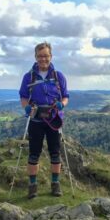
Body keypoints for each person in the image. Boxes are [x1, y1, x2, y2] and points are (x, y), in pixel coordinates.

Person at [18, 42, 69, 199]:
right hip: (36, 120)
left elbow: (66, 96)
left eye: (46, 56)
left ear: (51, 56)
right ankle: (32, 186)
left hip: (54, 119)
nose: (43, 59)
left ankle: (55, 184)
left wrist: (62, 105)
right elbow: (24, 96)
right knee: (34, 154)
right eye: (40, 56)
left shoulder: (58, 76)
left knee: (55, 153)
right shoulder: (29, 77)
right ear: (35, 57)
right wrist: (26, 108)